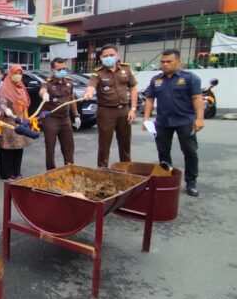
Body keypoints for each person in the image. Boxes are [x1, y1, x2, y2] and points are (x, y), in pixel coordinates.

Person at [143, 49, 204, 196]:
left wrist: (200, 118)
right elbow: (150, 100)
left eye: (169, 61)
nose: (165, 64)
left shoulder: (190, 78)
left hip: (185, 121)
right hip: (163, 121)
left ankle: (191, 182)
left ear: (178, 61)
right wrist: (146, 119)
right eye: (162, 62)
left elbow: (197, 98)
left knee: (189, 151)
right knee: (163, 152)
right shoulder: (156, 79)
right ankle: (167, 179)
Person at [83, 44, 138, 168]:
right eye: (105, 56)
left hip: (124, 111)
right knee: (104, 144)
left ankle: (126, 169)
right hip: (106, 112)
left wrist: (133, 109)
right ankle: (102, 170)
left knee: (125, 143)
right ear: (101, 58)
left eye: (111, 55)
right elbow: (91, 85)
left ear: (117, 55)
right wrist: (89, 92)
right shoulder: (97, 73)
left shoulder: (126, 70)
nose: (108, 57)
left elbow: (134, 88)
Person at [39, 58, 80, 170]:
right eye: (59, 69)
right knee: (50, 146)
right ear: (53, 70)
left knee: (69, 145)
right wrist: (44, 95)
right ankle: (51, 170)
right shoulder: (46, 82)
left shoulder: (69, 81)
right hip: (51, 119)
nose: (62, 71)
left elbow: (72, 99)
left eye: (64, 68)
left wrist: (76, 115)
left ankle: (69, 168)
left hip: (65, 119)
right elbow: (42, 90)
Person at [0, 64, 31, 180]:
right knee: (8, 148)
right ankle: (6, 173)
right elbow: (1, 103)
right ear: (10, 74)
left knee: (19, 148)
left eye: (20, 73)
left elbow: (25, 103)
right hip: (9, 121)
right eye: (15, 73)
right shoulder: (5, 87)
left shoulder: (21, 87)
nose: (18, 76)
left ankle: (16, 171)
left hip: (20, 121)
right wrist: (5, 109)